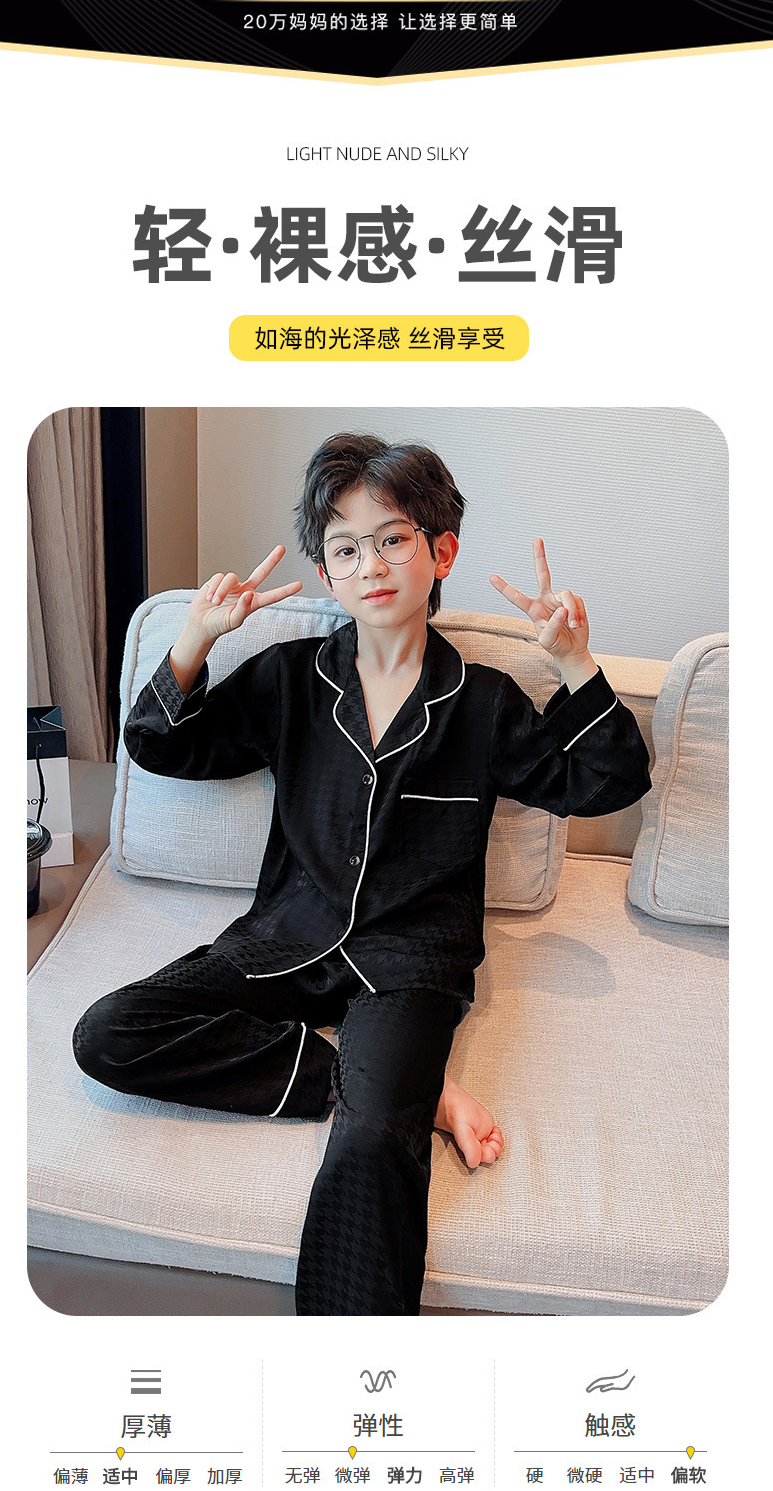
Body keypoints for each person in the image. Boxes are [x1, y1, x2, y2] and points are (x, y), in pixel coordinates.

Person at [73, 432, 651, 1316]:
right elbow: (160, 744)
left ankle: (355, 1361)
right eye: (344, 549)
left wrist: (575, 660)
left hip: (409, 960)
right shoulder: (289, 679)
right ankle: (397, 1088)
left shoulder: (485, 702)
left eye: (392, 539)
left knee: (372, 1145)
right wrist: (195, 635)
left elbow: (606, 781)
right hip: (288, 935)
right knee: (108, 1033)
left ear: (440, 551)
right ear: (326, 573)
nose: (370, 564)